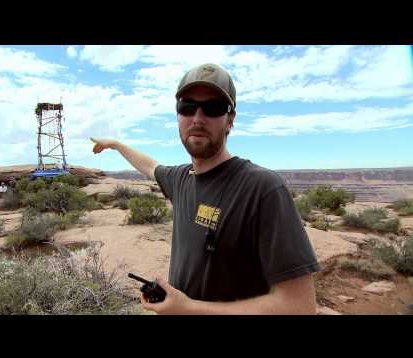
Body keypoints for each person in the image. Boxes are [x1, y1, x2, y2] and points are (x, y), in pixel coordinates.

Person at [91, 63, 320, 315]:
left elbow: (300, 306)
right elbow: (150, 166)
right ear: (178, 116)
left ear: (230, 119)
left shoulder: (262, 189)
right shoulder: (181, 179)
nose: (198, 118)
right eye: (187, 107)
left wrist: (189, 308)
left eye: (213, 108)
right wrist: (116, 144)